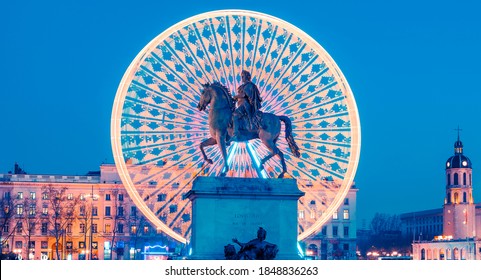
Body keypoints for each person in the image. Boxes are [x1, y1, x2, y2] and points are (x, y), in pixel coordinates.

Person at [231, 70, 262, 142]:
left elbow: (244, 95)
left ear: (247, 77)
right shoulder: (242, 86)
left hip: (245, 105)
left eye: (243, 76)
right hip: (240, 104)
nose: (242, 78)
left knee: (235, 115)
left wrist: (235, 96)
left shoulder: (249, 85)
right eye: (241, 76)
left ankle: (235, 134)